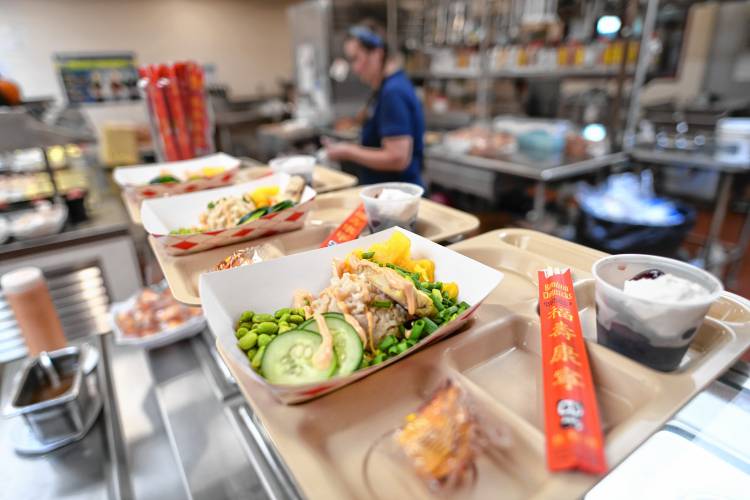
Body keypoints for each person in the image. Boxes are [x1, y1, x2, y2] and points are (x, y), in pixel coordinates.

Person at [325, 21, 425, 187]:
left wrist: (349, 151)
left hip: (396, 198)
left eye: (356, 59)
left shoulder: (393, 92)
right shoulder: (385, 87)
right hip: (386, 194)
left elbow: (398, 158)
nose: (355, 69)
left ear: (377, 53)